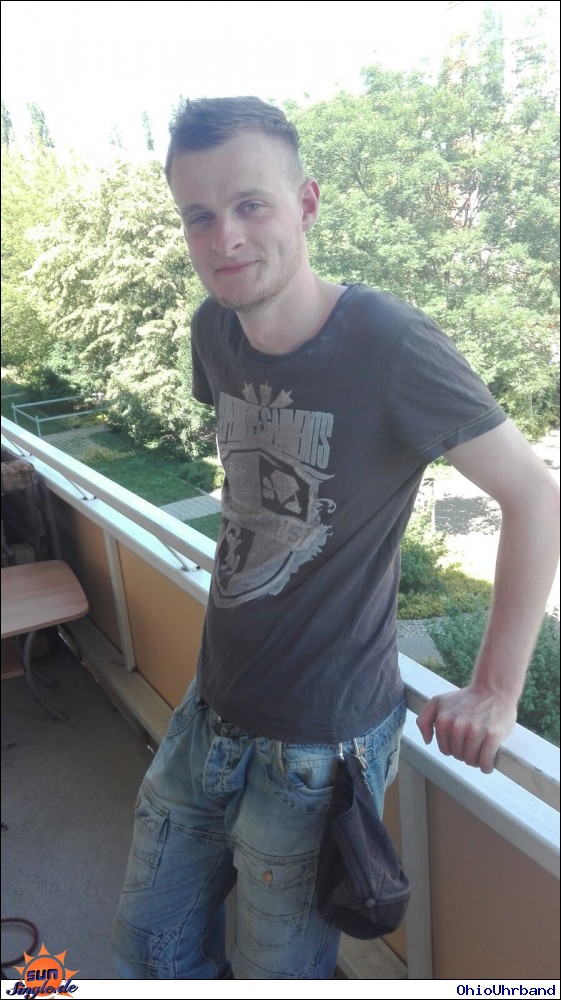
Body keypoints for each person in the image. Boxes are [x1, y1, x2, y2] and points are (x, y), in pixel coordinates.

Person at [112, 97, 560, 980]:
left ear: (306, 203)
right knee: (144, 946)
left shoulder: (390, 343)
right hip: (210, 706)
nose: (224, 238)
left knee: (277, 974)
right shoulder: (213, 330)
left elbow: (534, 497)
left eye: (250, 204)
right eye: (198, 216)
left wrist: (493, 690)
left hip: (319, 745)